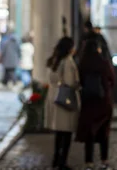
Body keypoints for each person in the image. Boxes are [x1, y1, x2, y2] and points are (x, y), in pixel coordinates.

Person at [76, 39, 115, 170]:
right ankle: (104, 161)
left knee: (89, 133)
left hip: (88, 102)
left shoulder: (82, 64)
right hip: (103, 102)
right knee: (104, 132)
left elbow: (79, 82)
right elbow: (112, 80)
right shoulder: (104, 63)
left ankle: (89, 162)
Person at [45, 37, 80, 170]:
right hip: (66, 99)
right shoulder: (67, 61)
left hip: (55, 96)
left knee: (59, 133)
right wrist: (78, 85)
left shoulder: (54, 60)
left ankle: (56, 159)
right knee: (67, 132)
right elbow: (70, 82)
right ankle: (62, 162)